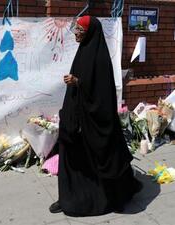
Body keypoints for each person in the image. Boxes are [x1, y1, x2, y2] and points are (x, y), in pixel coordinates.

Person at [49, 15, 142, 216]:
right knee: (68, 154)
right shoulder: (83, 51)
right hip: (76, 116)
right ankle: (67, 198)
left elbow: (102, 94)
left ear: (90, 32)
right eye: (77, 29)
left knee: (98, 157)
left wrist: (79, 83)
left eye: (80, 30)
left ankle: (106, 198)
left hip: (93, 122)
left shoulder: (100, 58)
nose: (76, 33)